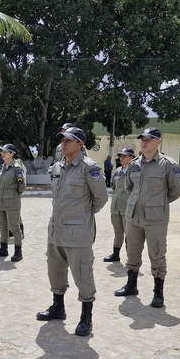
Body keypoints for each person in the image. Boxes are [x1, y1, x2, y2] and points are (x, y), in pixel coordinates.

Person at [36, 127, 108, 337]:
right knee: (55, 270)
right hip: (56, 229)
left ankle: (86, 318)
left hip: (78, 233)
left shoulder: (89, 167)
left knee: (82, 274)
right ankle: (58, 308)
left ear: (80, 144)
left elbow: (101, 199)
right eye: (63, 140)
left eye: (69, 140)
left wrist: (82, 215)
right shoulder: (58, 167)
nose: (64, 143)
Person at [114, 127, 180, 308]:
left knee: (157, 255)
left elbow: (177, 191)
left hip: (156, 219)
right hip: (134, 216)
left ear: (158, 142)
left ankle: (158, 293)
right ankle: (131, 285)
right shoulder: (134, 164)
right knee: (132, 252)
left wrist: (158, 203)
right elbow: (129, 187)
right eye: (142, 139)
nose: (144, 142)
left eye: (148, 139)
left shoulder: (168, 165)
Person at [0, 144, 26, 262]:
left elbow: (22, 186)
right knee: (3, 227)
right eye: (2, 152)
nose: (2, 154)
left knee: (14, 227)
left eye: (5, 152)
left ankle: (18, 251)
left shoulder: (17, 168)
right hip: (0, 200)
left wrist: (15, 195)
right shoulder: (3, 167)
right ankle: (3, 249)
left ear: (12, 154)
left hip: (12, 201)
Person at [103, 147, 135, 263]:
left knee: (130, 234)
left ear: (132, 157)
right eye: (120, 156)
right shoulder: (117, 171)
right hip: (116, 207)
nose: (121, 158)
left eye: (125, 156)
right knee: (118, 232)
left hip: (128, 208)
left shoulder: (135, 172)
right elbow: (113, 186)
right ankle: (116, 254)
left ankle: (131, 258)